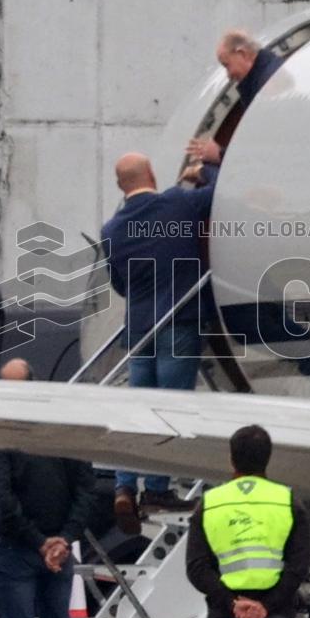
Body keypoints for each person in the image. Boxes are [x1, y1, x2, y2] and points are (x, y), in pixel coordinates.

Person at [101, 152, 215, 534]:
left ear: (121, 186)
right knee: (170, 409)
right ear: (152, 172)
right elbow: (222, 193)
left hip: (138, 329)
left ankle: (124, 485)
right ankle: (157, 490)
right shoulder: (178, 202)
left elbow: (119, 284)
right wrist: (203, 169)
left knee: (139, 408)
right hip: (177, 321)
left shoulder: (112, 230)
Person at [0, 358, 96, 618]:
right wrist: (64, 538)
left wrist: (40, 541)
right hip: (58, 547)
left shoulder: (3, 434)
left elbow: (2, 496)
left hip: (20, 546)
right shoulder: (66, 430)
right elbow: (85, 489)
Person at [186, 425, 310, 618]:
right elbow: (299, 565)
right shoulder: (288, 501)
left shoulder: (210, 503)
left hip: (226, 614)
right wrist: (265, 606)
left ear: (231, 459)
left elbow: (197, 568)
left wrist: (232, 603)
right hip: (274, 615)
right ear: (267, 458)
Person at [186, 29, 285, 181]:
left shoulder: (268, 85)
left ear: (242, 53)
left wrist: (218, 154)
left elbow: (265, 150)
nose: (228, 75)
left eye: (227, 65)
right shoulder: (265, 77)